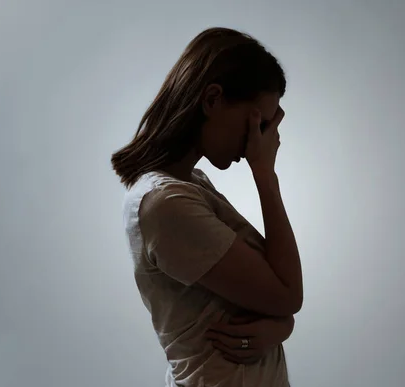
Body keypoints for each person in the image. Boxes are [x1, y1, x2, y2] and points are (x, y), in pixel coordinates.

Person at [111, 27, 303, 387]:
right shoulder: (166, 204)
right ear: (213, 99)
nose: (257, 141)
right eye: (257, 123)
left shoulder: (192, 186)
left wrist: (282, 323)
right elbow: (287, 295)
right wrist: (264, 173)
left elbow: (276, 293)